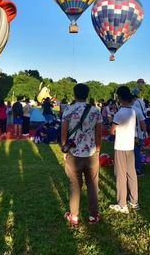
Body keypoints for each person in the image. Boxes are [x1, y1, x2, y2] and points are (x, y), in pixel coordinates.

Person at [61, 83, 103, 225]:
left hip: (74, 153)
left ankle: (74, 215)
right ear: (87, 94)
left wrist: (64, 149)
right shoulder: (95, 111)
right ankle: (93, 215)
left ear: (74, 94)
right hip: (91, 152)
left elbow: (64, 132)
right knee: (92, 184)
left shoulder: (68, 109)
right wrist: (98, 149)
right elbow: (98, 132)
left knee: (74, 184)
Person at [109, 86, 139, 213]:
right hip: (130, 146)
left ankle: (122, 204)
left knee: (121, 175)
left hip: (121, 147)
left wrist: (112, 122)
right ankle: (134, 201)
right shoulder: (133, 111)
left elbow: (112, 131)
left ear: (119, 98)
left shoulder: (119, 113)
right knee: (131, 174)